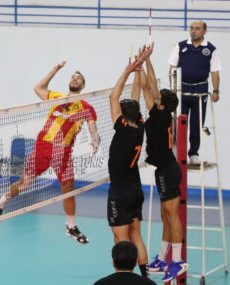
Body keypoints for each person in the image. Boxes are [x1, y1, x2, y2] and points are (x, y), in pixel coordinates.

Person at [0, 60, 100, 244]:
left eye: (79, 78)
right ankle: (1, 202)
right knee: (25, 183)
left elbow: (92, 127)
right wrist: (56, 69)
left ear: (83, 86)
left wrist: (95, 139)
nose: (75, 79)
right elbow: (38, 88)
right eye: (73, 76)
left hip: (63, 153)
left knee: (68, 189)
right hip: (42, 147)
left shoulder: (86, 108)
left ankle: (71, 227)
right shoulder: (56, 97)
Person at [143, 44, 189, 282]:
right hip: (164, 169)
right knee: (165, 215)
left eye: (157, 97)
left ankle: (179, 261)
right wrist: (147, 61)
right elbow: (151, 87)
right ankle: (162, 257)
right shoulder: (161, 113)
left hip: (168, 171)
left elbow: (148, 86)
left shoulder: (159, 115)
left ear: (161, 105)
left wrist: (145, 63)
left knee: (172, 215)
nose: (154, 96)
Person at [107, 47, 150, 278]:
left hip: (120, 193)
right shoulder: (139, 125)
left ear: (123, 116)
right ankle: (144, 278)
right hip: (135, 189)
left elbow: (113, 96)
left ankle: (124, 279)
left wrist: (127, 70)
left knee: (121, 242)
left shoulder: (122, 129)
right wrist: (138, 69)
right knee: (137, 236)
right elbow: (135, 98)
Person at [168, 20, 222, 165]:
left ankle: (193, 153)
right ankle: (178, 152)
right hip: (181, 90)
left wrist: (216, 91)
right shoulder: (180, 46)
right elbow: (172, 68)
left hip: (200, 91)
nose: (193, 31)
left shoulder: (211, 49)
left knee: (197, 123)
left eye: (197, 29)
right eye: (191, 28)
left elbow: (215, 72)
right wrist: (173, 89)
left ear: (204, 31)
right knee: (178, 123)